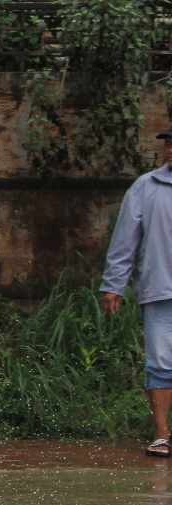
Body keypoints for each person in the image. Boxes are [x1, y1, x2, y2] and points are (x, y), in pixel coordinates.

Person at [100, 126, 172, 457]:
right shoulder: (146, 187)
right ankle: (162, 434)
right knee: (159, 363)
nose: (170, 149)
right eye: (168, 143)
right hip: (159, 290)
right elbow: (125, 240)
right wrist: (114, 285)